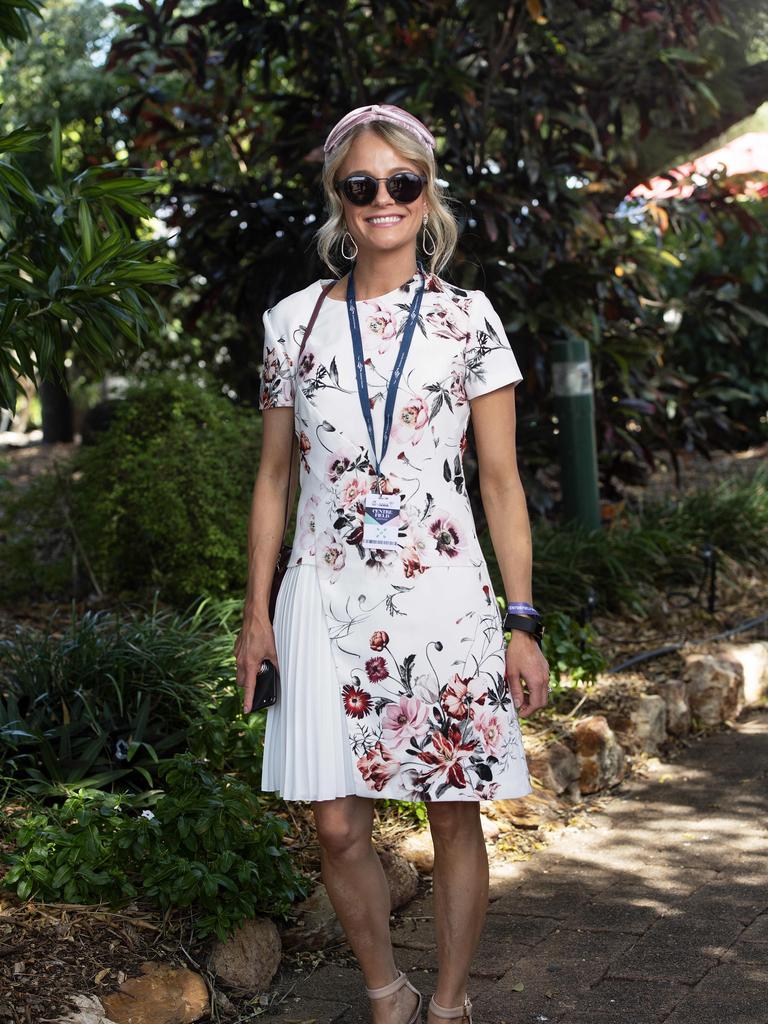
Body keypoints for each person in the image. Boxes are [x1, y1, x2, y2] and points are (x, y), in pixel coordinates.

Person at [235, 103, 549, 1024]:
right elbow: (271, 481)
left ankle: (446, 1005)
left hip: (444, 595)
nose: (384, 199)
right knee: (336, 825)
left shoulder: (468, 321)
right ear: (340, 198)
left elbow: (500, 484)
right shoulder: (290, 323)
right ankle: (386, 992)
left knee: (455, 812)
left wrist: (522, 623)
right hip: (323, 594)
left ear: (426, 193)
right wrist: (256, 613)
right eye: (363, 184)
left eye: (402, 183)